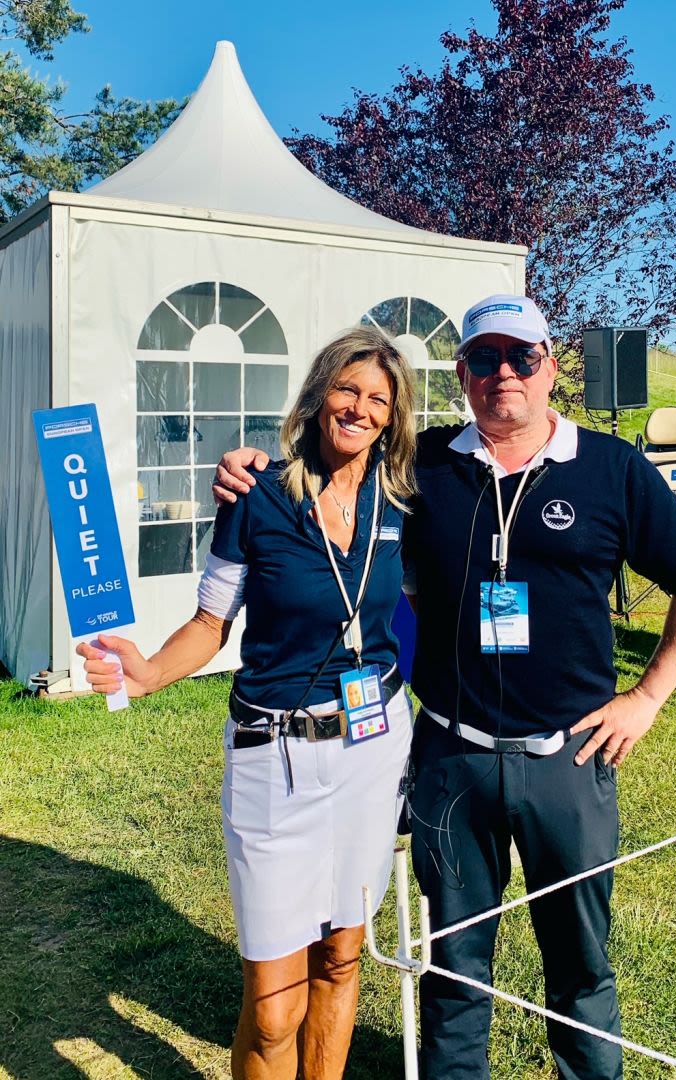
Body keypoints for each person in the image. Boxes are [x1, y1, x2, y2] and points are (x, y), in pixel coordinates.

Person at [213, 295, 676, 1080]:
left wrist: (648, 695)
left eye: (522, 357)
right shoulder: (426, 471)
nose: (504, 375)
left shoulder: (612, 470)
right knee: (455, 968)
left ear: (551, 367)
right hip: (452, 752)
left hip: (571, 757)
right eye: (484, 359)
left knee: (580, 964)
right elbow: (338, 490)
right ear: (463, 374)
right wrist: (247, 465)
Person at [77, 326, 417, 1080]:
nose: (359, 408)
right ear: (317, 395)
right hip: (275, 757)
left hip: (371, 751)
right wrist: (148, 674)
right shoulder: (257, 495)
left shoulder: (403, 501)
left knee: (340, 957)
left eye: (378, 399)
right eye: (347, 389)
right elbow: (209, 622)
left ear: (394, 417)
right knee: (271, 1009)